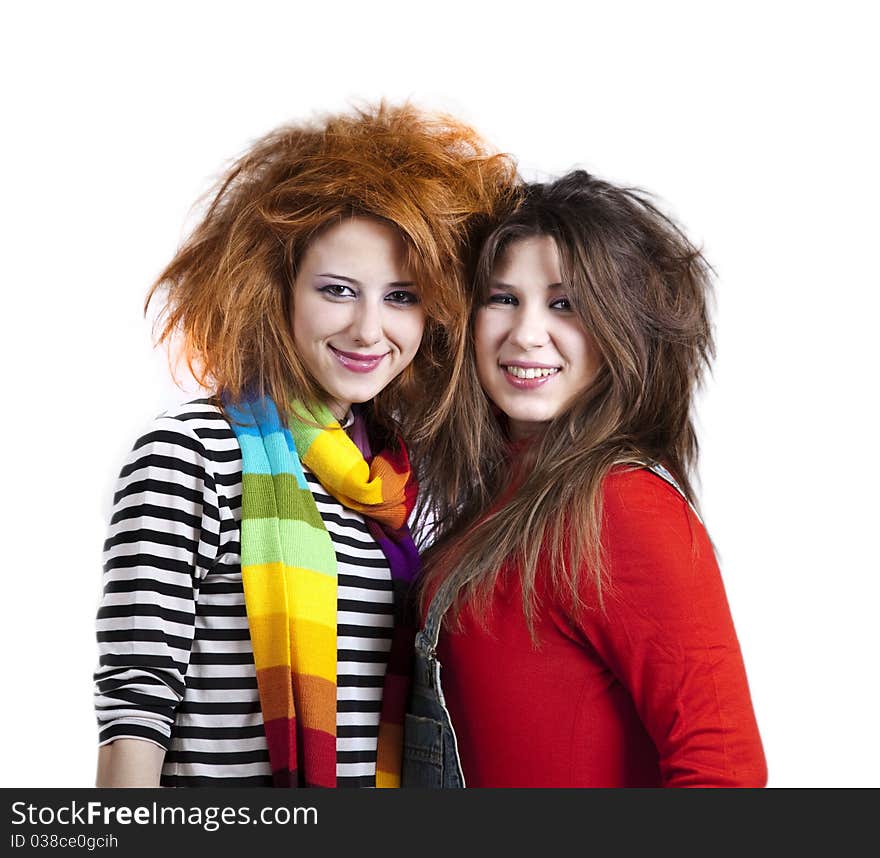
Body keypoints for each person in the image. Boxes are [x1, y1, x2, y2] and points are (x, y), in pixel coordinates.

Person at [93, 103, 516, 788]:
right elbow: (135, 711)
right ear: (277, 290)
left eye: (401, 296)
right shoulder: (188, 454)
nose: (368, 328)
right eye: (337, 291)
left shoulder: (395, 486)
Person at [404, 171, 768, 787]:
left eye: (565, 304)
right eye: (502, 298)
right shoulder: (499, 501)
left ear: (622, 329)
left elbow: (723, 769)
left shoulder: (623, 506)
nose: (526, 334)